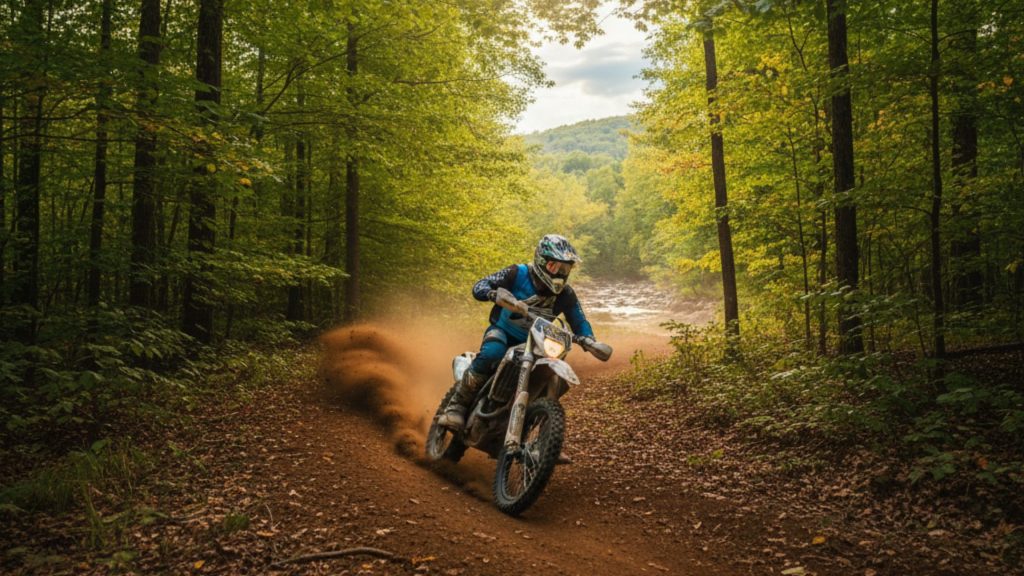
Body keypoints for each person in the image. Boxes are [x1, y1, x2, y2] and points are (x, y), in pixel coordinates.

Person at [438, 234, 597, 430]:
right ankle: (457, 406)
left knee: (554, 376)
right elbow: (480, 285)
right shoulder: (517, 273)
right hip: (502, 331)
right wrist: (492, 293)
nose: (559, 273)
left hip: (538, 343)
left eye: (565, 269)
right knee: (491, 354)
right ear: (541, 261)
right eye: (554, 267)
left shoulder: (566, 294)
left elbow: (579, 320)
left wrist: (588, 339)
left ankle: (544, 435)